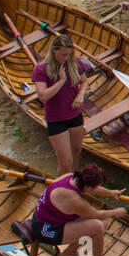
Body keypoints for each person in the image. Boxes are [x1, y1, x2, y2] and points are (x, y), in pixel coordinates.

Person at [18, 163, 129, 256]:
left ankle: (70, 251)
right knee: (98, 226)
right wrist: (115, 212)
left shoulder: (71, 177)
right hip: (46, 230)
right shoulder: (74, 199)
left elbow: (93, 189)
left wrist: (111, 193)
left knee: (103, 222)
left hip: (52, 219)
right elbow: (96, 214)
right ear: (89, 187)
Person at [32, 33, 93, 175]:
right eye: (62, 55)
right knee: (66, 163)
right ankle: (59, 188)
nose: (66, 58)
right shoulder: (41, 69)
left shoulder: (75, 63)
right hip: (55, 119)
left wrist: (80, 94)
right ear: (54, 51)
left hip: (74, 115)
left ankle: (73, 183)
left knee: (76, 152)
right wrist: (61, 81)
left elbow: (84, 81)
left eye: (68, 55)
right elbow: (42, 96)